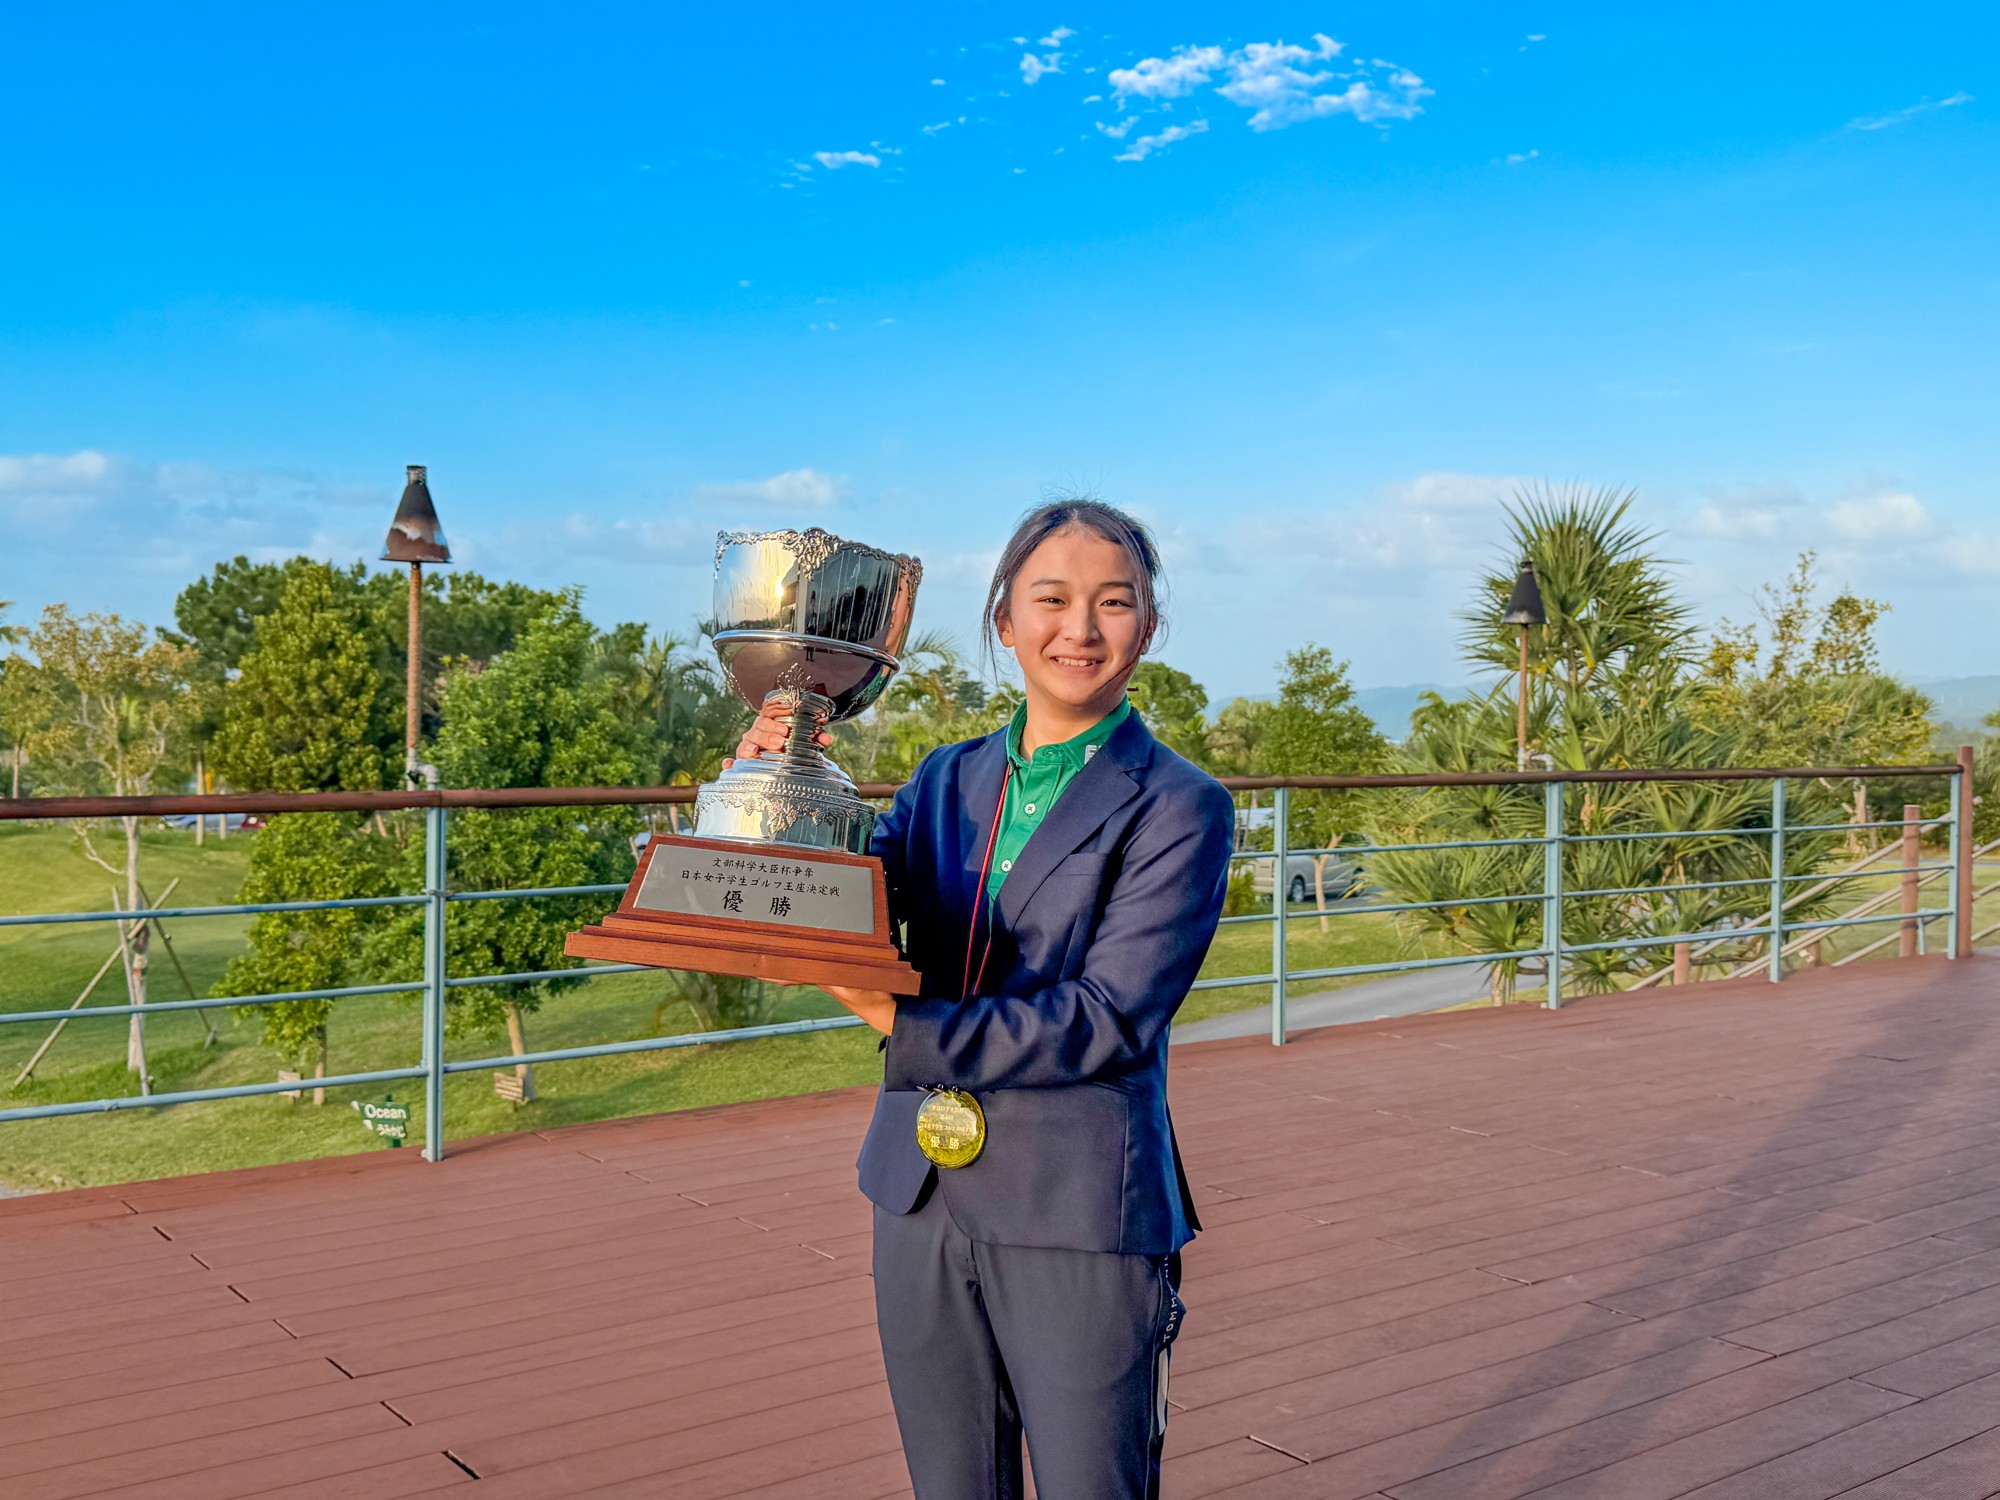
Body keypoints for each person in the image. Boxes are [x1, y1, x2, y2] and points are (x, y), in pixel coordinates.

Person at [732, 499, 1235, 1500]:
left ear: (1149, 625)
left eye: (1112, 604)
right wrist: (776, 790)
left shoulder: (1181, 806)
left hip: (1077, 1199)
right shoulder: (944, 779)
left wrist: (893, 1022)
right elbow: (850, 903)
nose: (1078, 630)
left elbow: (1106, 1018)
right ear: (1005, 620)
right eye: (1049, 600)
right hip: (918, 1190)